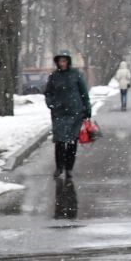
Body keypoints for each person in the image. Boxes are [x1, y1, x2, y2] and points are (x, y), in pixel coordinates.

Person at [43, 51, 91, 180]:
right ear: (57, 62)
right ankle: (59, 167)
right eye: (60, 61)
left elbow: (84, 93)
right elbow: (48, 92)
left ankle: (69, 168)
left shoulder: (76, 75)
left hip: (75, 112)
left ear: (68, 62)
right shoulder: (54, 76)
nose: (62, 63)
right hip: (59, 113)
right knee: (59, 141)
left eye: (64, 61)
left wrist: (87, 110)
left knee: (72, 142)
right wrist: (51, 104)